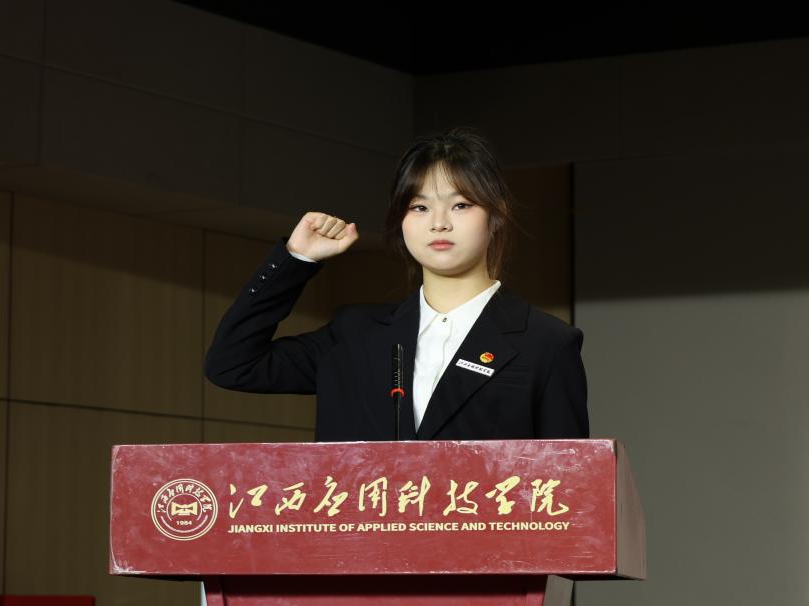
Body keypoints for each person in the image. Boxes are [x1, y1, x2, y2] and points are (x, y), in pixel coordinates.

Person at [203, 126, 589, 441]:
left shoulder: (546, 344)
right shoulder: (354, 335)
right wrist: (296, 259)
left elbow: (571, 485)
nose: (439, 223)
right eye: (419, 207)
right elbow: (232, 364)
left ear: (496, 216)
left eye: (461, 205)